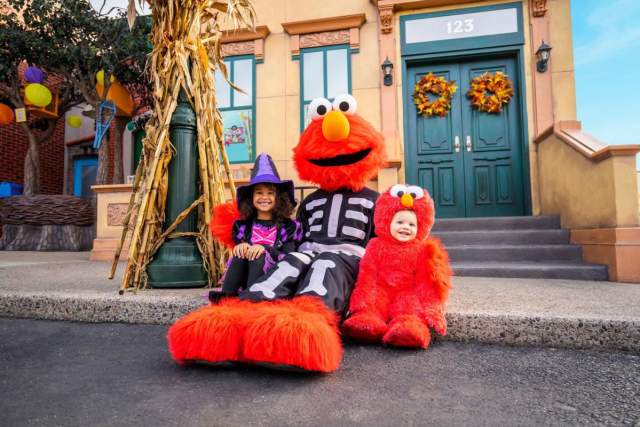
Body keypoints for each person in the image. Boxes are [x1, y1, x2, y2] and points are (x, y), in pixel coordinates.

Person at [342, 184, 452, 349]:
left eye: (411, 225)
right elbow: (367, 273)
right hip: (381, 289)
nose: (406, 227)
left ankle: (408, 329)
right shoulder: (376, 245)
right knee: (372, 304)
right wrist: (360, 301)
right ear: (388, 221)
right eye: (400, 222)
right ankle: (367, 320)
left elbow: (426, 281)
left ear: (420, 227)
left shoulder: (421, 250)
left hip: (407, 292)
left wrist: (432, 308)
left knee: (410, 308)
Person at [214, 153, 301, 298]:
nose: (264, 197)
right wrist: (241, 246)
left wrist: (265, 248)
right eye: (259, 192)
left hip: (275, 281)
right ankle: (226, 299)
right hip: (246, 278)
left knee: (258, 255)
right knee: (240, 254)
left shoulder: (289, 227)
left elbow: (289, 257)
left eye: (270, 193)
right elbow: (242, 256)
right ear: (251, 197)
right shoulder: (242, 226)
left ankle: (253, 299)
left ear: (278, 198)